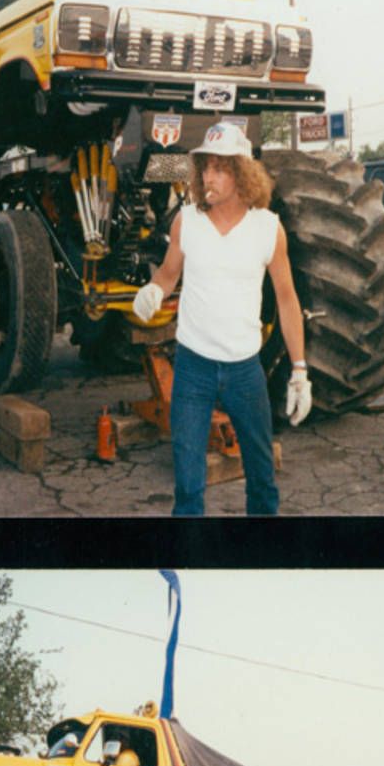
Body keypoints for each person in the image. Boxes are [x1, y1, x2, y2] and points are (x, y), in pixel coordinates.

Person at [131, 123, 310, 517]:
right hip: (193, 368)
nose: (209, 177)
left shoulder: (268, 228)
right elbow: (167, 273)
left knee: (262, 480)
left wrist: (299, 371)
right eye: (205, 168)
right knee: (188, 484)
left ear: (242, 172)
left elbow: (286, 298)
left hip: (246, 371)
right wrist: (153, 291)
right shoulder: (187, 221)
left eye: (220, 168)